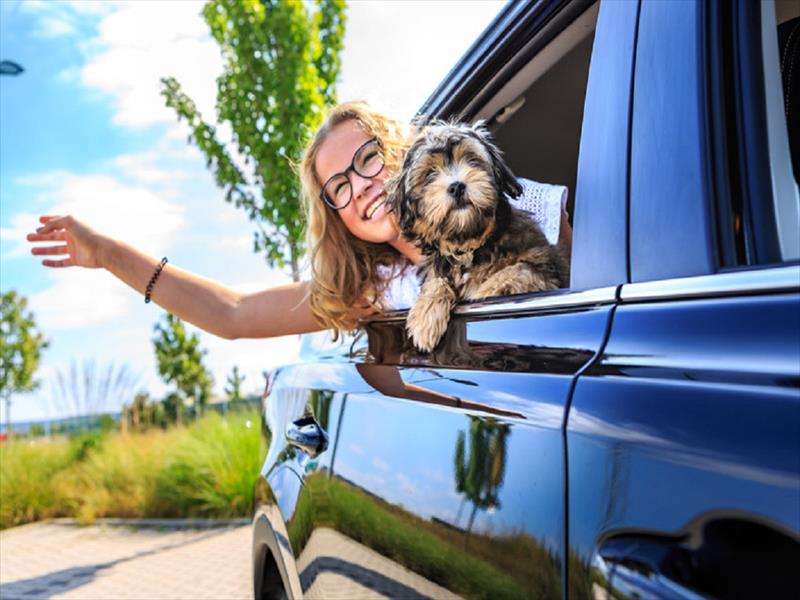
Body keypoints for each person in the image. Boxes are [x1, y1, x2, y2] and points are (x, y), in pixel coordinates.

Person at [27, 101, 571, 341]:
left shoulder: (517, 207)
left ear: (402, 154)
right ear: (339, 220)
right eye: (339, 188)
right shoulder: (373, 292)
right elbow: (232, 314)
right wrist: (105, 254)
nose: (360, 188)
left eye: (367, 160)